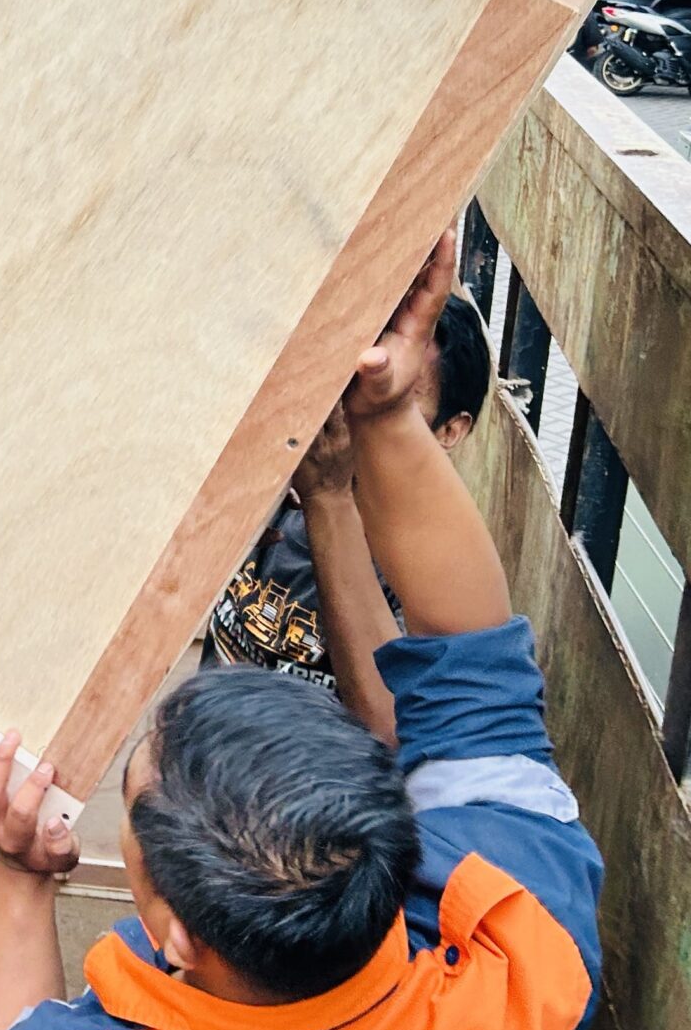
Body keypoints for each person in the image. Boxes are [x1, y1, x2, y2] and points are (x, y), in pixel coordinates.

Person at [0, 238, 603, 1030]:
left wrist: (13, 873)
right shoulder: (528, 980)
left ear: (178, 937)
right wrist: (386, 416)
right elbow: (475, 664)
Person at [202, 287, 488, 743]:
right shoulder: (277, 482)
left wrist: (327, 495)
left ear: (449, 431)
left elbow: (392, 728)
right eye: (356, 385)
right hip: (204, 762)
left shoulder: (427, 572)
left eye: (397, 403)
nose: (358, 410)